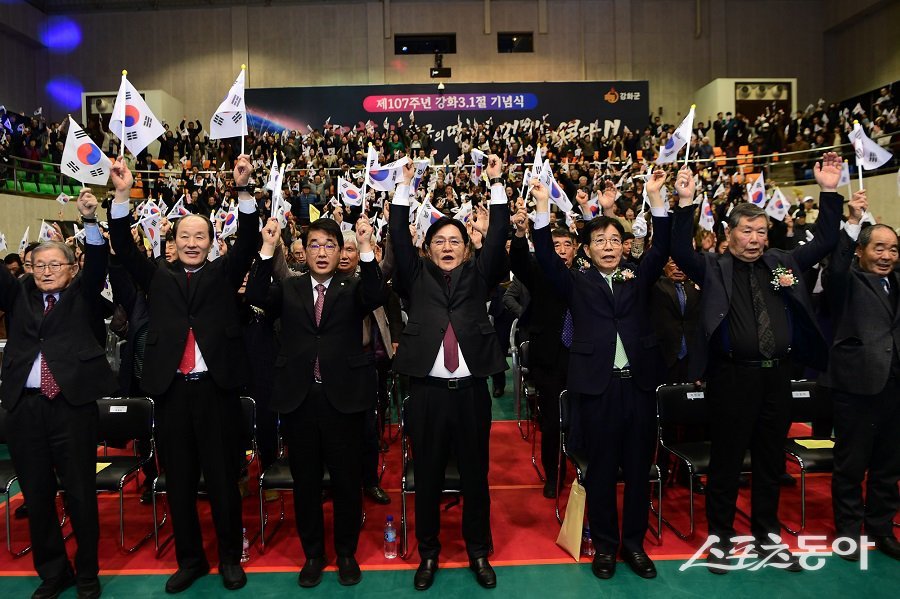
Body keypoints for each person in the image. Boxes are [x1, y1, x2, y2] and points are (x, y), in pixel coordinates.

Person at [670, 151, 844, 573]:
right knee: (728, 463)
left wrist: (829, 190)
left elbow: (824, 241)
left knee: (769, 462)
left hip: (777, 378)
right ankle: (721, 540)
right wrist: (684, 201)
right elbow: (677, 246)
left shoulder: (781, 263)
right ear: (728, 235)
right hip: (731, 378)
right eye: (746, 231)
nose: (754, 239)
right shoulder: (713, 267)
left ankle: (768, 537)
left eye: (761, 231)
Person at [106, 154, 261, 593]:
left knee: (223, 481)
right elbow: (123, 242)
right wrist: (121, 194)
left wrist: (244, 189)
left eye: (201, 236)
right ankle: (190, 559)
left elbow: (248, 240)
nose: (192, 242)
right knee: (177, 483)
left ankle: (230, 557)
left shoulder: (223, 274)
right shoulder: (158, 277)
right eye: (184, 235)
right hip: (172, 392)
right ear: (172, 241)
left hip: (217, 391)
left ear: (212, 242)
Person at [530, 169, 673, 581]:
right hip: (596, 388)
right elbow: (543, 255)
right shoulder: (575, 281)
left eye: (614, 240)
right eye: (599, 241)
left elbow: (661, 247)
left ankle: (634, 545)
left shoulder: (637, 276)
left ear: (623, 246)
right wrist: (543, 207)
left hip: (639, 386)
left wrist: (656, 198)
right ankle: (606, 546)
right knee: (603, 470)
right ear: (586, 249)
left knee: (638, 467)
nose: (608, 246)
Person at [388, 156, 509, 591]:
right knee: (428, 475)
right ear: (429, 247)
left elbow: (497, 242)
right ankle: (429, 553)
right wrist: (403, 189)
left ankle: (478, 552)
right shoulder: (414, 276)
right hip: (427, 392)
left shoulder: (479, 275)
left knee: (476, 475)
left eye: (454, 240)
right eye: (439, 240)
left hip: (471, 390)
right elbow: (399, 241)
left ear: (465, 247)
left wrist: (496, 185)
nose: (446, 246)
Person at [247, 215, 385, 587]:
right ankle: (313, 554)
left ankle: (345, 553)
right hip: (300, 399)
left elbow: (377, 296)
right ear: (302, 252)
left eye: (329, 245)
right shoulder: (289, 289)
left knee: (346, 481)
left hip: (345, 398)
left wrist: (368, 247)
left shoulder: (353, 286)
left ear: (341, 251)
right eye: (314, 245)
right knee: (305, 482)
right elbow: (256, 297)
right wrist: (267, 248)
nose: (321, 252)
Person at [0, 189, 117, 599]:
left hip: (71, 408)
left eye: (56, 265)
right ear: (28, 268)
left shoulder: (82, 297)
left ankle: (87, 572)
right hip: (24, 410)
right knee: (36, 493)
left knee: (81, 492)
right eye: (39, 265)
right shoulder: (18, 296)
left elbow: (99, 261)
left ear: (71, 267)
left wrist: (88, 220)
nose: (47, 271)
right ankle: (54, 571)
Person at [820, 191, 900, 562]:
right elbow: (834, 268)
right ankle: (849, 532)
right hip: (856, 389)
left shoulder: (897, 282)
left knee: (889, 466)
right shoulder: (846, 279)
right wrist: (852, 220)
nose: (886, 256)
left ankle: (882, 528)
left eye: (893, 249)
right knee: (851, 465)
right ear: (861, 250)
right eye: (879, 248)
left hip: (895, 389)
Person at [508, 223, 575, 498]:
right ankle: (554, 474)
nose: (560, 251)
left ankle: (588, 468)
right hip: (549, 359)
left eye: (566, 245)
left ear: (576, 249)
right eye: (555, 245)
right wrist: (521, 235)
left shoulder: (587, 274)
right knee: (551, 422)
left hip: (583, 358)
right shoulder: (539, 271)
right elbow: (519, 262)